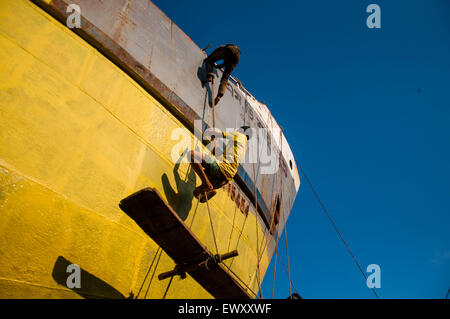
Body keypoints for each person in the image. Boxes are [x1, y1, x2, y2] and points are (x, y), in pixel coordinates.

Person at [189, 126, 250, 202]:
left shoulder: (240, 135)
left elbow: (218, 134)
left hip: (221, 168)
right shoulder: (243, 147)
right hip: (224, 179)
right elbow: (219, 156)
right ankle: (207, 189)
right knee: (197, 194)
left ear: (241, 130)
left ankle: (206, 184)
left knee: (191, 155)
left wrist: (210, 132)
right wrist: (215, 142)